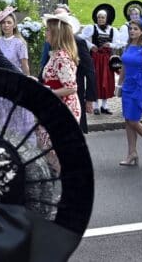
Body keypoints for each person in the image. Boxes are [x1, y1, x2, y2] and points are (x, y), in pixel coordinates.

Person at [38, 13, 82, 171]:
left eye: (48, 30)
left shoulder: (61, 57)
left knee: (55, 149)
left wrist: (47, 92)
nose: (46, 33)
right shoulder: (56, 54)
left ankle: (66, 179)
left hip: (64, 108)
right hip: (55, 106)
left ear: (56, 33)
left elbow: (71, 87)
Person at [116, 17, 142, 166]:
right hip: (127, 86)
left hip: (139, 87)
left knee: (133, 120)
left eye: (135, 29)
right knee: (128, 120)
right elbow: (124, 67)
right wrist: (119, 85)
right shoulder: (128, 46)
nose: (132, 31)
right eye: (130, 28)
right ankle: (132, 153)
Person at [0, 7, 35, 136]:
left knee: (16, 116)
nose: (6, 25)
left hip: (16, 83)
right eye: (3, 22)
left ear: (14, 24)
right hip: (1, 84)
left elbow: (24, 65)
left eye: (9, 22)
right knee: (2, 116)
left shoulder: (19, 43)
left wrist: (27, 83)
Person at [80, 6, 117, 115]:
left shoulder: (112, 30)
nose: (100, 19)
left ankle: (104, 106)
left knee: (107, 80)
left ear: (107, 18)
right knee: (96, 80)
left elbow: (119, 43)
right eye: (99, 17)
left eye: (103, 17)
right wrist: (91, 46)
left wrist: (110, 44)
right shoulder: (92, 28)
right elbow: (81, 38)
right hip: (96, 58)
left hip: (107, 59)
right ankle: (96, 106)